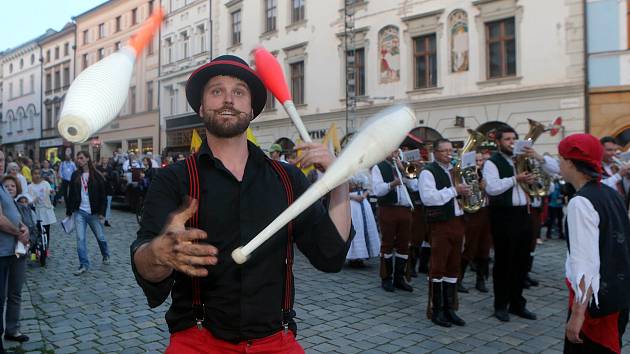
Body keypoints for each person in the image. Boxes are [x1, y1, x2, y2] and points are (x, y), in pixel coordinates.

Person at [131, 54, 352, 353]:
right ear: (201, 106)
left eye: (238, 92)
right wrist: (158, 253)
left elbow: (329, 255)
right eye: (216, 90)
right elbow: (146, 265)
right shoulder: (174, 179)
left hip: (276, 341)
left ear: (251, 108)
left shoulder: (287, 178)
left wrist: (340, 182)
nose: (228, 99)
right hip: (197, 341)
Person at [559, 134, 630, 354]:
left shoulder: (580, 202)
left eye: (560, 158)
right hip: (617, 295)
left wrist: (578, 313)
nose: (559, 164)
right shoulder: (611, 193)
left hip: (594, 303)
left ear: (571, 163)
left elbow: (585, 261)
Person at [482, 126, 557, 322]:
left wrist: (538, 157)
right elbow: (492, 188)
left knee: (522, 262)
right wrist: (516, 178)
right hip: (503, 215)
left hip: (524, 213)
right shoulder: (492, 163)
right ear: (498, 142)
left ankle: (517, 303)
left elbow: (555, 170)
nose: (511, 142)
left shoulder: (525, 159)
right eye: (507, 139)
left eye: (514, 139)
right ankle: (500, 305)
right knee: (504, 263)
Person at [419, 139, 469, 327]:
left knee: (453, 267)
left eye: (451, 150)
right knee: (438, 267)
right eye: (445, 151)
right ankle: (436, 310)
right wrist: (454, 190)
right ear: (435, 152)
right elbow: (428, 198)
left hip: (458, 221)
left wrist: (467, 190)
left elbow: (461, 192)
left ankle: (450, 309)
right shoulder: (428, 172)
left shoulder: (455, 170)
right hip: (440, 224)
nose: (449, 154)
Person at [371, 150, 415, 293]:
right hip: (388, 209)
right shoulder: (379, 167)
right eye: (392, 150)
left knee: (404, 244)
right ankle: (386, 278)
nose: (395, 154)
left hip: (405, 209)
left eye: (397, 151)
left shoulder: (407, 165)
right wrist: (393, 184)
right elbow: (377, 190)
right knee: (388, 243)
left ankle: (399, 278)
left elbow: (415, 185)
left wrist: (403, 169)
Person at [0, 151, 31, 350]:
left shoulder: (2, 187)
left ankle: (12, 329)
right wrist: (18, 232)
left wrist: (23, 226)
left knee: (15, 292)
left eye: (1, 159)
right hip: (2, 251)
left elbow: (12, 213)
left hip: (16, 250)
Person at [66, 151, 110, 275]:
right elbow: (71, 195)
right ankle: (83, 264)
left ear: (87, 159)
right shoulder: (75, 175)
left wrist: (102, 212)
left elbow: (103, 196)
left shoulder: (97, 175)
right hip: (80, 212)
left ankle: (105, 254)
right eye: (78, 158)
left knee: (100, 237)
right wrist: (69, 211)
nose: (79, 160)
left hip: (94, 213)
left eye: (81, 158)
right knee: (80, 239)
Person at [459, 151, 492, 293]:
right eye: (476, 161)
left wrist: (485, 188)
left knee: (484, 247)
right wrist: (478, 187)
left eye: (480, 161)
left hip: (485, 211)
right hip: (471, 214)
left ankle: (481, 280)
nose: (479, 163)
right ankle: (458, 279)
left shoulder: (485, 174)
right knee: (470, 246)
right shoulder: (464, 175)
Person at [346, 170, 380, 267]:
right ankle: (353, 256)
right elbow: (339, 190)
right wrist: (353, 197)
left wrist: (363, 196)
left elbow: (369, 187)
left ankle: (361, 256)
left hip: (362, 202)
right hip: (351, 202)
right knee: (355, 227)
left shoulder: (363, 171)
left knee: (362, 227)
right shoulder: (344, 171)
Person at [27, 168, 57, 255]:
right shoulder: (30, 187)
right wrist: (33, 200)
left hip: (46, 210)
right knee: (35, 231)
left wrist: (52, 192)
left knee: (46, 230)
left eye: (38, 173)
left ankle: (46, 248)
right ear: (32, 175)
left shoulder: (45, 183)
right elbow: (29, 200)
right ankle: (33, 250)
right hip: (36, 211)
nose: (37, 175)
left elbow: (51, 192)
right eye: (35, 173)